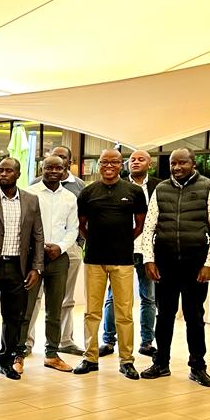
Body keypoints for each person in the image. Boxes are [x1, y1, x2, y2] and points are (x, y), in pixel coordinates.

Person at [140, 148, 210, 387]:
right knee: (164, 316)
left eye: (182, 163)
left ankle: (198, 367)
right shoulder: (161, 189)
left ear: (193, 164)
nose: (177, 167)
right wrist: (149, 259)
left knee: (194, 317)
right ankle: (161, 363)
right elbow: (149, 227)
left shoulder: (209, 188)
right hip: (165, 263)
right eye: (173, 163)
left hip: (195, 265)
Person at [73, 149, 147, 379]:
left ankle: (126, 361)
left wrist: (123, 241)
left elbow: (140, 224)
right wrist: (96, 241)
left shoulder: (134, 191)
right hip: (94, 259)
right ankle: (90, 358)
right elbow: (81, 225)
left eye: (114, 162)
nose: (108, 165)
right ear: (99, 164)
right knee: (92, 312)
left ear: (120, 164)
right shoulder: (87, 192)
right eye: (104, 161)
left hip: (123, 260)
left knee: (124, 312)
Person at [0, 158, 44, 380]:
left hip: (19, 269)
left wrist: (36, 267)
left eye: (8, 171)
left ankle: (6, 361)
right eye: (1, 170)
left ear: (18, 174)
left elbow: (38, 236)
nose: (3, 174)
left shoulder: (31, 200)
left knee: (14, 318)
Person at [100, 149, 160, 357]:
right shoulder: (118, 185)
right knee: (113, 297)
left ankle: (147, 342)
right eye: (132, 159)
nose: (136, 162)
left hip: (149, 250)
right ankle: (108, 341)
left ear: (149, 164)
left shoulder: (159, 186)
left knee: (148, 297)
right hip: (122, 249)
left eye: (141, 159)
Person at [22, 155, 79, 373]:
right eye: (49, 168)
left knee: (55, 309)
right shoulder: (30, 193)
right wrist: (37, 248)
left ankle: (52, 354)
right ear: (42, 168)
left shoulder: (69, 198)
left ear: (65, 170)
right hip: (32, 258)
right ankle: (19, 353)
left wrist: (60, 247)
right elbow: (23, 225)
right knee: (26, 307)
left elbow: (73, 229)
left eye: (58, 168)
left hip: (58, 257)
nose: (53, 171)